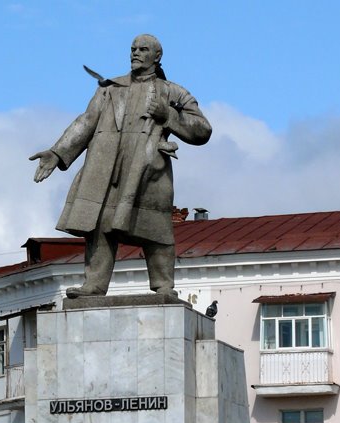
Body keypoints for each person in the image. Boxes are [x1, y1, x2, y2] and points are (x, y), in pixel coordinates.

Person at [30, 34, 211, 299]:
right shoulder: (110, 88)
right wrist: (58, 153)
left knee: (155, 226)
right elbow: (87, 121)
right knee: (100, 224)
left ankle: (163, 285)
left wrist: (169, 115)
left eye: (143, 49)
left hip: (147, 170)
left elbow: (202, 130)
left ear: (157, 56)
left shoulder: (173, 92)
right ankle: (94, 284)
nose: (135, 53)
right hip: (106, 167)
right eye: (133, 49)